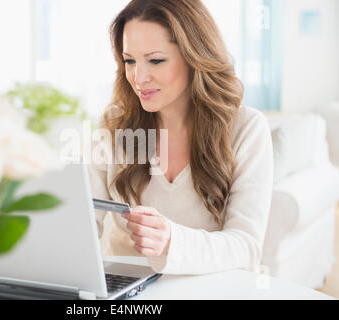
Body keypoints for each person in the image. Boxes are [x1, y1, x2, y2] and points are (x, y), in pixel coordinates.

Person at [88, 0, 273, 275]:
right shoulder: (113, 125)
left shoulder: (246, 128)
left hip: (208, 290)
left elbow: (246, 245)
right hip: (124, 292)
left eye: (156, 60)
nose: (139, 78)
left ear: (194, 56)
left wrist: (171, 240)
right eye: (130, 61)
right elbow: (84, 221)